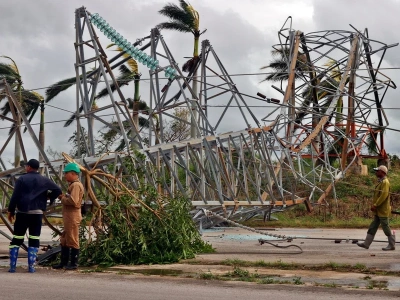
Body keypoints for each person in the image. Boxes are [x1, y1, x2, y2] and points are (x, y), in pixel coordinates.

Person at [7, 159, 62, 273]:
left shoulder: (22, 179)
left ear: (28, 167)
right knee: (34, 238)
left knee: (17, 238)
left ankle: (12, 267)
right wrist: (49, 197)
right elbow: (58, 190)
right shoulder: (44, 180)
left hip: (22, 213)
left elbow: (15, 196)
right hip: (37, 214)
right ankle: (31, 267)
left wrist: (11, 210)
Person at [52, 162, 84, 270]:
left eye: (66, 173)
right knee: (65, 239)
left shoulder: (76, 185)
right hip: (69, 216)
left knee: (73, 239)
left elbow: (73, 201)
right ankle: (64, 262)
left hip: (73, 216)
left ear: (73, 173)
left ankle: (74, 263)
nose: (65, 175)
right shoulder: (72, 184)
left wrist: (62, 198)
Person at [357, 165, 395, 251]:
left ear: (382, 172)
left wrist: (375, 204)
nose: (376, 172)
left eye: (378, 171)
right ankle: (366, 243)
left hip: (383, 209)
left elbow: (383, 195)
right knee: (373, 226)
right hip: (379, 210)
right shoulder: (380, 182)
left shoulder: (385, 182)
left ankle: (392, 244)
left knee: (385, 227)